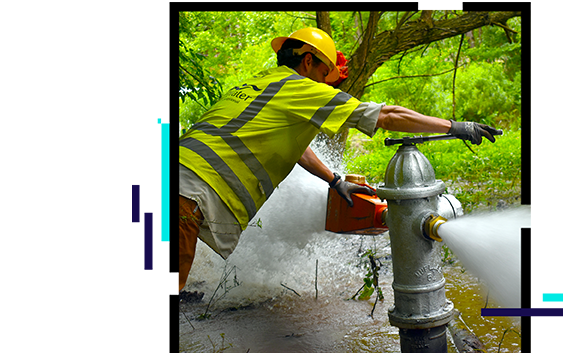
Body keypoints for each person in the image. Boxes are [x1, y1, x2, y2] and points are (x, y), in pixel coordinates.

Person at [178, 27, 501, 293]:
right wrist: (454, 126)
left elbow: (297, 149)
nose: (326, 83)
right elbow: (386, 115)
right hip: (183, 196)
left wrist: (334, 180)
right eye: (324, 73)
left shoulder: (257, 86)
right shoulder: (300, 88)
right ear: (307, 62)